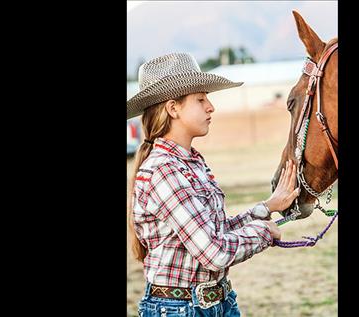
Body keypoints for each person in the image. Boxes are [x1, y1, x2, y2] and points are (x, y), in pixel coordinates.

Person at [127, 52, 300, 317]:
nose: (211, 106)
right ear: (173, 108)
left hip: (216, 302)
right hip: (179, 310)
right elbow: (214, 253)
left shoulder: (191, 163)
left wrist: (268, 207)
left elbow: (214, 232)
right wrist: (265, 233)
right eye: (200, 99)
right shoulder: (164, 170)